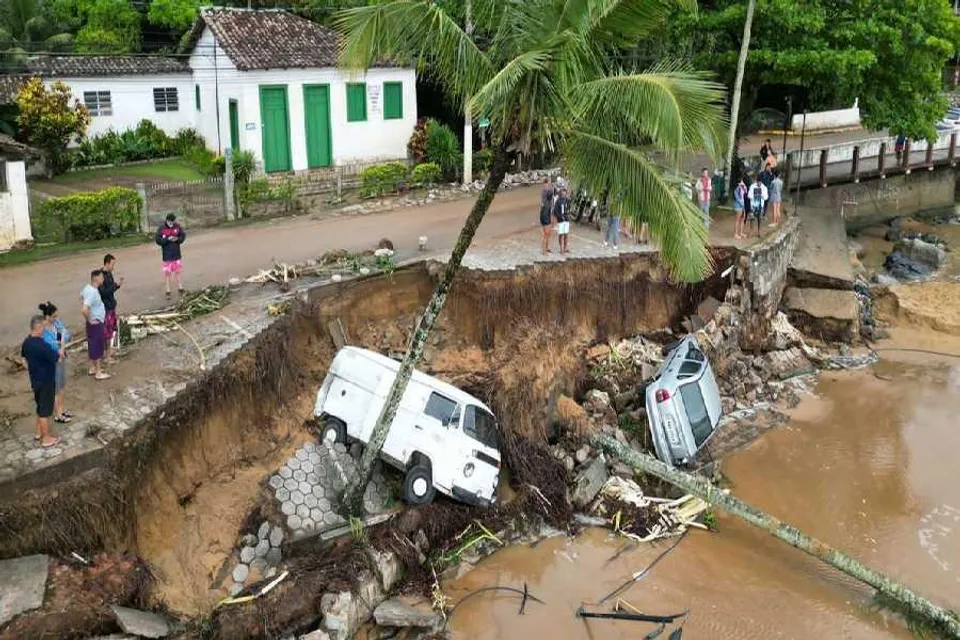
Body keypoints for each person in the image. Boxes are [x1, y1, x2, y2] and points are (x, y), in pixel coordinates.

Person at [21, 315, 60, 448]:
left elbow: (23, 359)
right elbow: (56, 358)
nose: (45, 329)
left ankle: (38, 433)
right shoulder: (42, 346)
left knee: (40, 406)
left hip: (35, 380)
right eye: (43, 326)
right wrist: (60, 349)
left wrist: (32, 369)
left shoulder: (27, 342)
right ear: (38, 327)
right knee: (45, 411)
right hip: (46, 381)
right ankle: (46, 438)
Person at [39, 302, 71, 425]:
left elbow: (67, 335)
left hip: (61, 358)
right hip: (52, 362)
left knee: (62, 386)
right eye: (54, 316)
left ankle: (61, 410)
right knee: (56, 388)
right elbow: (47, 345)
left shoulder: (57, 324)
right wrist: (59, 342)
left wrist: (60, 343)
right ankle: (58, 414)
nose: (56, 318)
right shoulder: (42, 329)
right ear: (47, 316)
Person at [81, 269, 110, 380]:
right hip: (95, 323)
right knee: (97, 346)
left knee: (93, 345)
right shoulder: (92, 292)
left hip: (94, 322)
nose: (103, 279)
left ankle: (94, 368)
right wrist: (90, 319)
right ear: (96, 279)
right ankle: (98, 372)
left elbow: (81, 297)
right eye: (102, 277)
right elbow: (84, 309)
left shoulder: (88, 288)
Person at [99, 253, 124, 363]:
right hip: (105, 308)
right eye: (112, 264)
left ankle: (109, 351)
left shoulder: (109, 274)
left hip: (111, 305)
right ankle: (107, 356)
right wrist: (115, 286)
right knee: (107, 332)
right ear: (107, 263)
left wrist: (117, 285)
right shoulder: (100, 276)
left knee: (112, 330)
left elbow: (111, 289)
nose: (114, 267)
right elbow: (103, 293)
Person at [156, 213, 186, 298]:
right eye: (170, 221)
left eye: (172, 221)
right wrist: (167, 239)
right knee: (167, 274)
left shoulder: (177, 226)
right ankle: (168, 291)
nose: (171, 223)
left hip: (176, 254)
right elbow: (158, 240)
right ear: (167, 220)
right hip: (167, 255)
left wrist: (177, 239)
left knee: (178, 272)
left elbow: (183, 236)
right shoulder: (161, 228)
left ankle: (180, 288)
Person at [553, 186, 571, 254]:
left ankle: (565, 248)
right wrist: (560, 217)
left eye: (565, 194)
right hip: (561, 220)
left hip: (566, 219)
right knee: (561, 234)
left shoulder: (567, 200)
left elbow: (568, 208)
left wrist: (567, 214)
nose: (564, 195)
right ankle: (561, 249)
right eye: (563, 194)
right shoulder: (558, 201)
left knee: (566, 234)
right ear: (560, 194)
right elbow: (555, 211)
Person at [539, 178, 555, 255]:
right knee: (546, 233)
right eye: (549, 183)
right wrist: (553, 187)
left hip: (546, 211)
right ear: (545, 183)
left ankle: (547, 248)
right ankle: (544, 251)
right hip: (545, 212)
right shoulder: (546, 190)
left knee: (548, 233)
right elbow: (552, 192)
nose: (550, 184)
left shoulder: (546, 190)